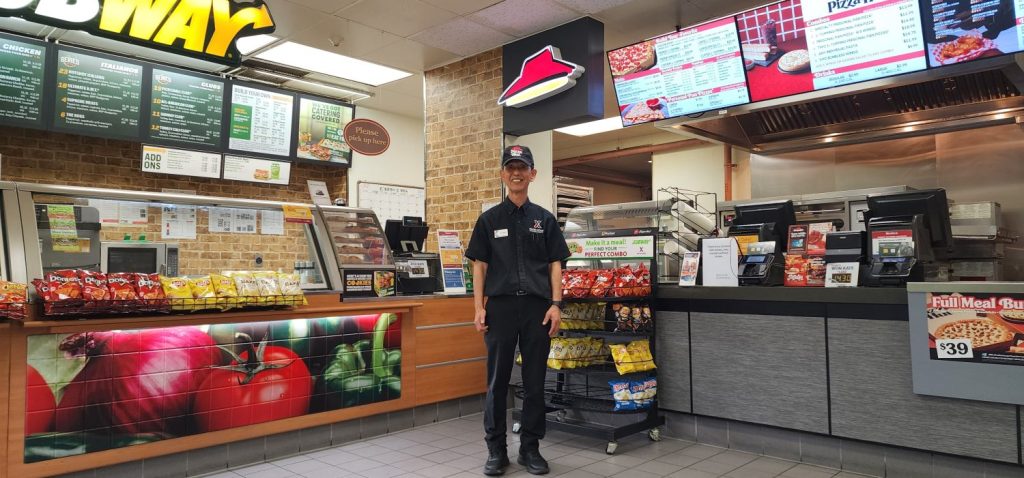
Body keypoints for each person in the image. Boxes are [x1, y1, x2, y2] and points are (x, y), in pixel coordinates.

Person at [465, 145, 570, 476]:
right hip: (500, 308)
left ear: (532, 174)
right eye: (510, 167)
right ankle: (496, 450)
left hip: (538, 308)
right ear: (502, 174)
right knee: (497, 381)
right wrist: (478, 308)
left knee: (535, 380)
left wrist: (556, 304)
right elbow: (479, 267)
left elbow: (556, 265)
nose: (516, 173)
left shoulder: (545, 219)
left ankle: (530, 448)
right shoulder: (489, 220)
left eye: (522, 167)